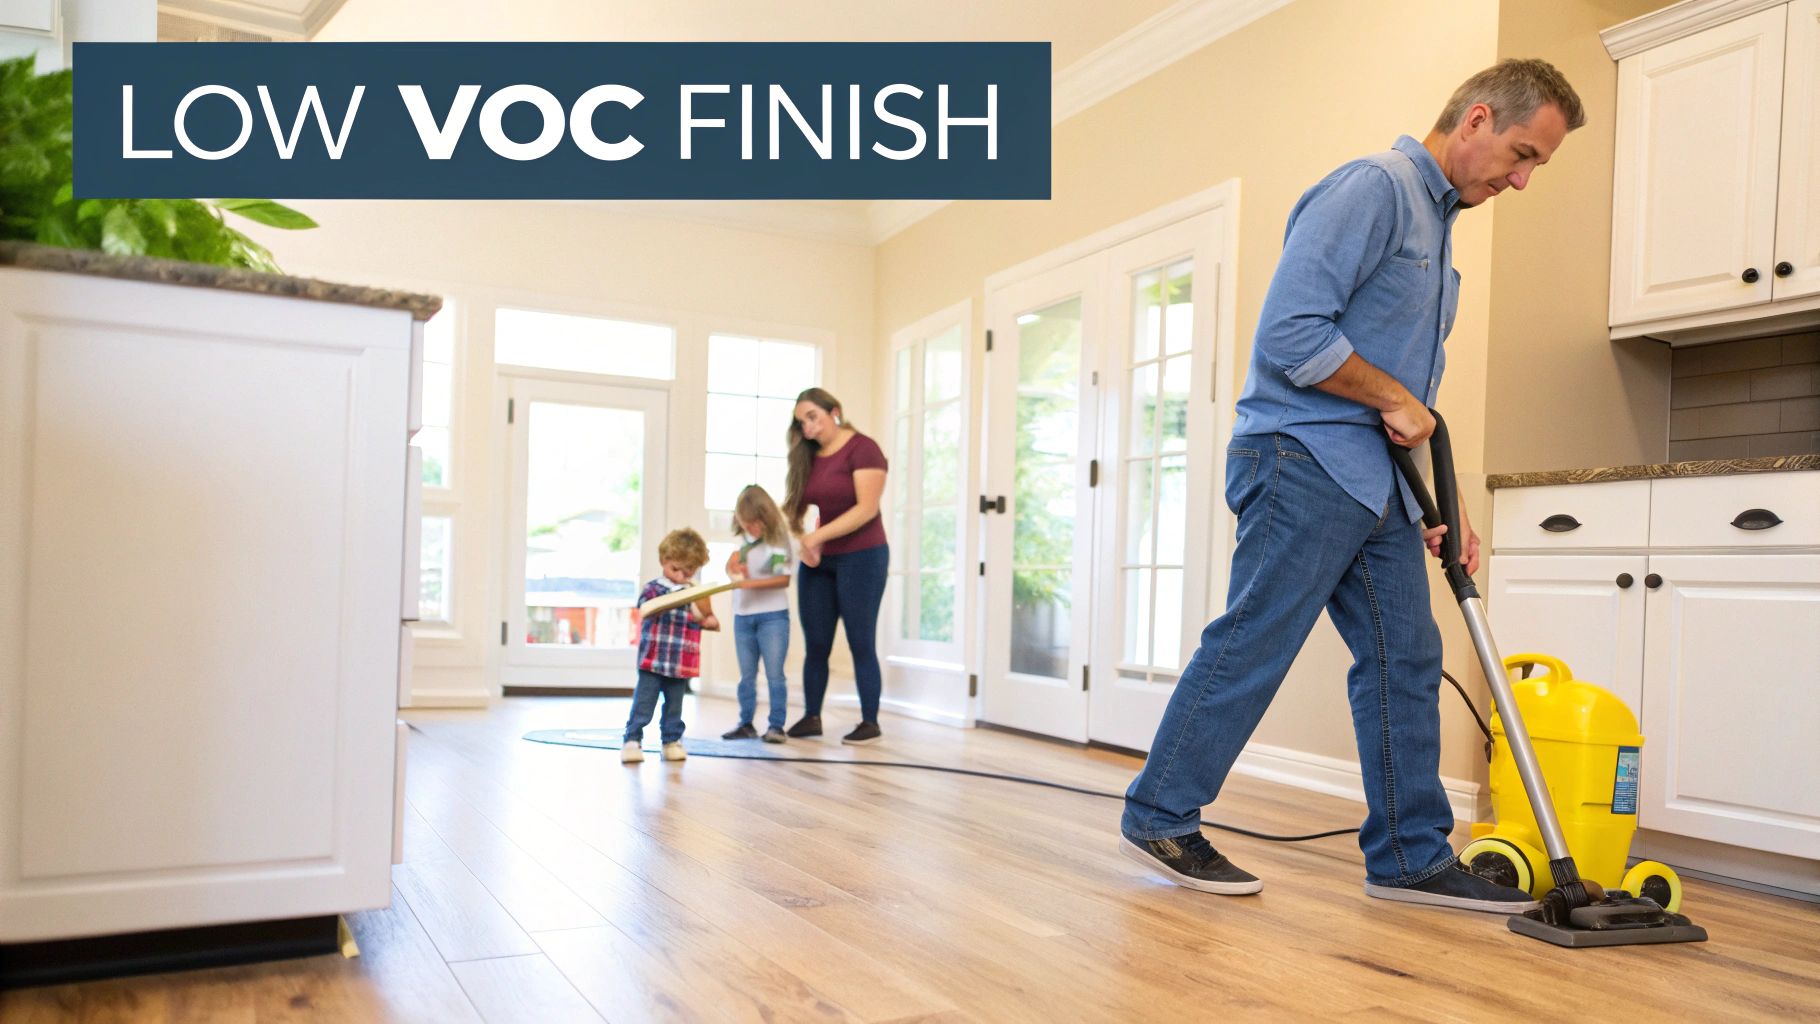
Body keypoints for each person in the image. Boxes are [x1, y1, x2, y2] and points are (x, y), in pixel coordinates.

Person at [1120, 59, 1584, 912]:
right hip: (1301, 460)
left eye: (1534, 167)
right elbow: (1290, 334)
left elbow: (1413, 399)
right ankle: (1161, 812)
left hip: (1377, 483)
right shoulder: (1374, 188)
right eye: (1521, 155)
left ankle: (1409, 856)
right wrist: (1398, 400)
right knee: (1255, 638)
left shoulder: (1443, 230)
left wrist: (1444, 501)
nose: (1520, 179)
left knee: (1407, 657)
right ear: (1476, 119)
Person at [780, 388, 889, 746]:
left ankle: (869, 721)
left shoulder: (863, 449)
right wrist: (803, 542)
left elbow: (866, 509)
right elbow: (797, 510)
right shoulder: (808, 457)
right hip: (820, 563)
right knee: (817, 644)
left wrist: (816, 538)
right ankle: (812, 716)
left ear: (835, 412)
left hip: (863, 556)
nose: (808, 427)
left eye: (813, 416)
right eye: (801, 422)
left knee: (860, 641)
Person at [622, 527, 720, 764]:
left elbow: (703, 617)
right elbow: (644, 608)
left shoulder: (695, 593)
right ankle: (632, 739)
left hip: (680, 661)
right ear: (664, 560)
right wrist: (666, 601)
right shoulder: (654, 588)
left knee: (675, 705)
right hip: (653, 659)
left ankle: (671, 740)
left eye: (687, 572)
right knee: (644, 702)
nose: (679, 576)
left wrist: (709, 620)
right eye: (675, 569)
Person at [719, 485, 797, 744]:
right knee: (746, 675)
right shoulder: (742, 543)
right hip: (743, 616)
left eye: (754, 523)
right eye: (746, 523)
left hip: (772, 616)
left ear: (766, 518)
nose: (750, 529)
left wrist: (746, 584)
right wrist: (732, 570)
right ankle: (746, 723)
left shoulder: (776, 543)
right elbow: (738, 574)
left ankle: (776, 726)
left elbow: (781, 579)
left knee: (775, 674)